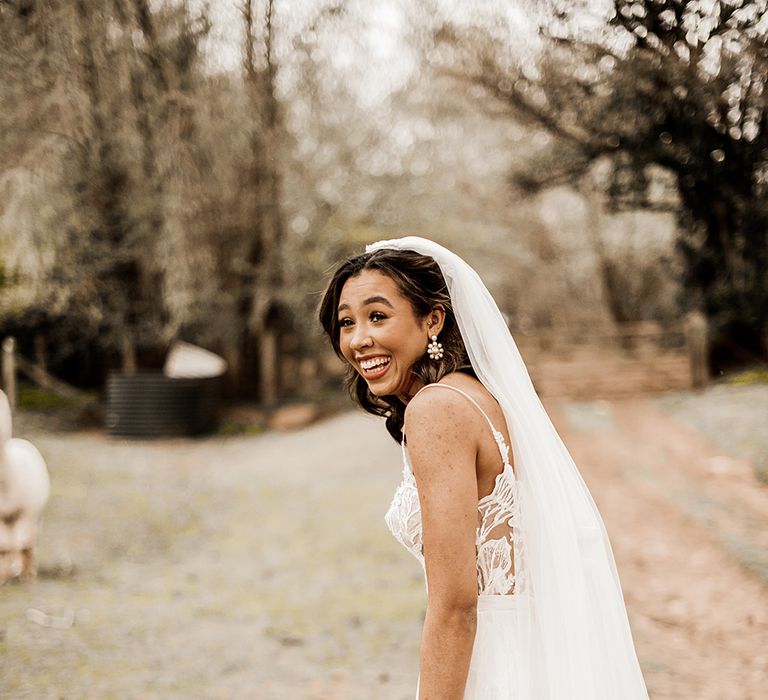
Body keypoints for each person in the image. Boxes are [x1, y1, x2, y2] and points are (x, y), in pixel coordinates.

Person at [319, 236, 649, 699]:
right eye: (346, 322)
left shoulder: (436, 410)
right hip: (536, 648)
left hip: (497, 665)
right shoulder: (479, 394)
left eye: (378, 316)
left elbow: (456, 605)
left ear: (432, 319)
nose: (358, 340)